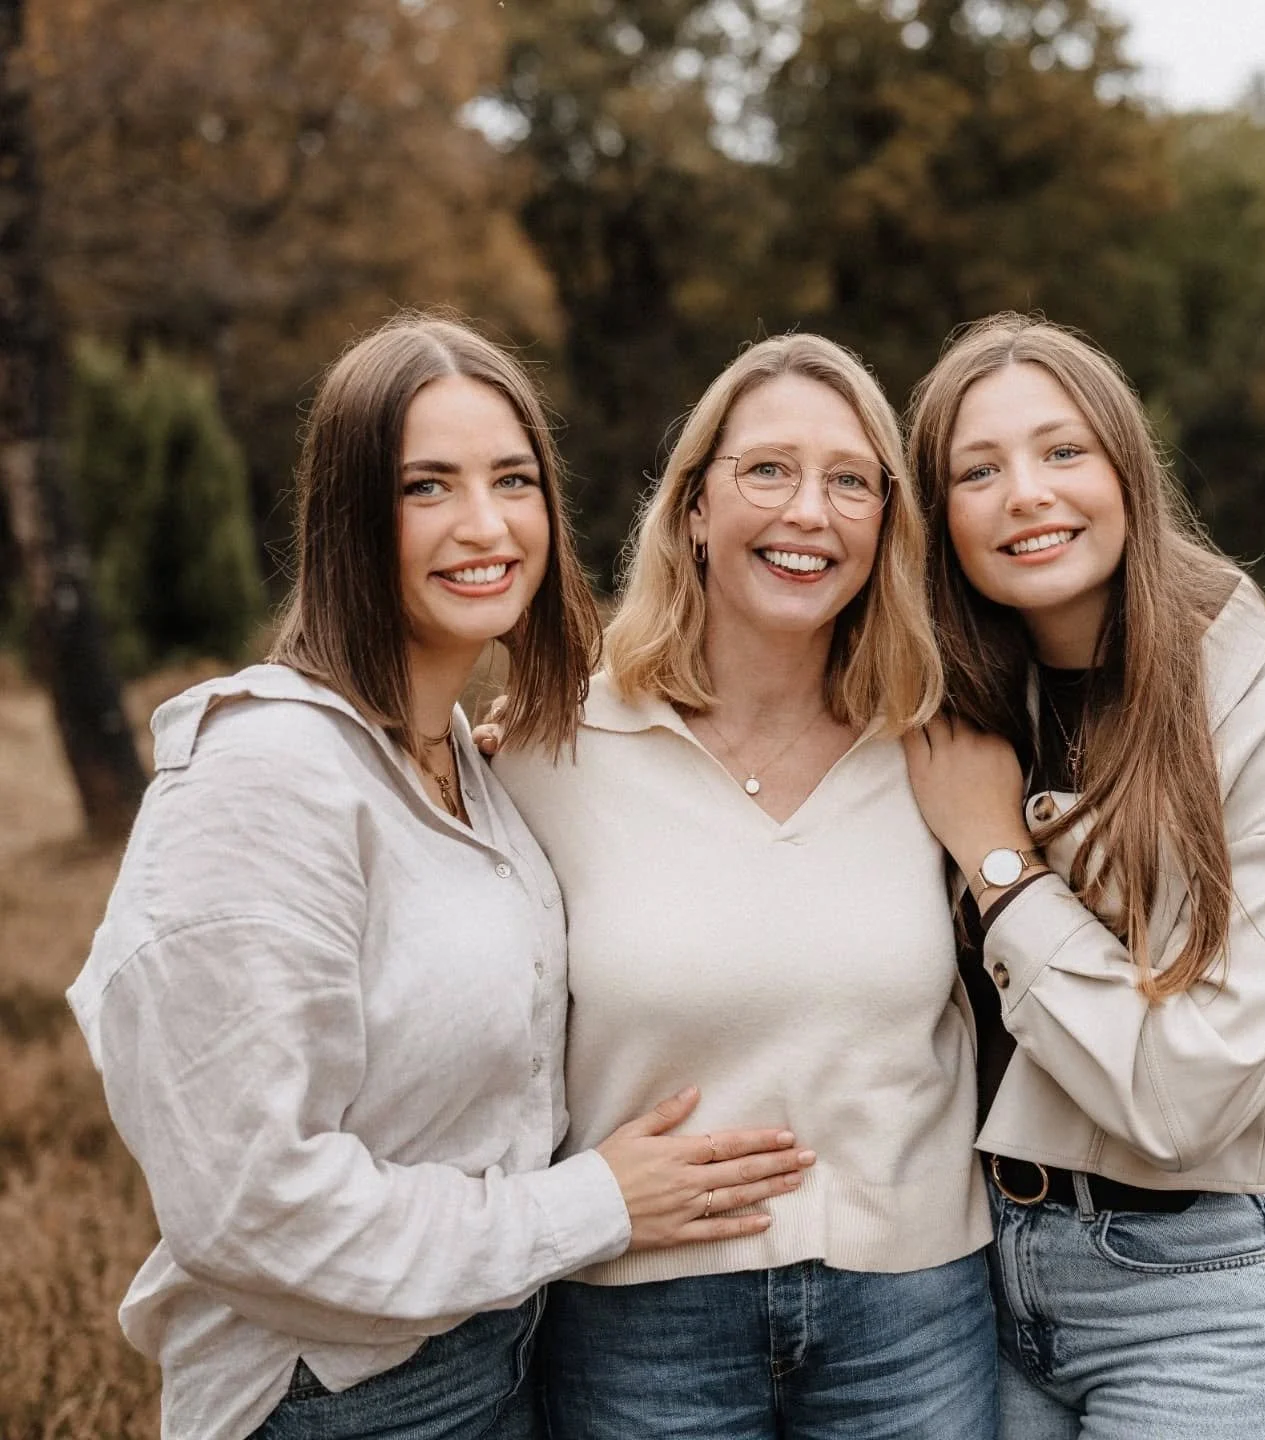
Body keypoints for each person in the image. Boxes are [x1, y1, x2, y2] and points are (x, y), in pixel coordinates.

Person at [66, 314, 814, 1440]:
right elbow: (249, 1205)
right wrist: (593, 1205)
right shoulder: (267, 777)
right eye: (426, 486)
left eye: (513, 479)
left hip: (499, 1359)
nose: (485, 524)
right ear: (346, 519)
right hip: (335, 1399)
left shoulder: (461, 759)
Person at [493, 333, 998, 1439]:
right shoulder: (544, 751)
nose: (808, 512)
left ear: (886, 528)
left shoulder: (937, 751)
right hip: (640, 1313)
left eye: (851, 481)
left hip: (908, 1309)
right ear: (694, 510)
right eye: (768, 469)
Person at [901, 312, 1265, 1440]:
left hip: (1190, 1288)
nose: (1027, 493)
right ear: (938, 517)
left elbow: (1187, 1098)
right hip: (966, 1265)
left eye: (1064, 451)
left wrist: (1005, 871)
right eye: (979, 468)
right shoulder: (941, 701)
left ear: (1128, 470)